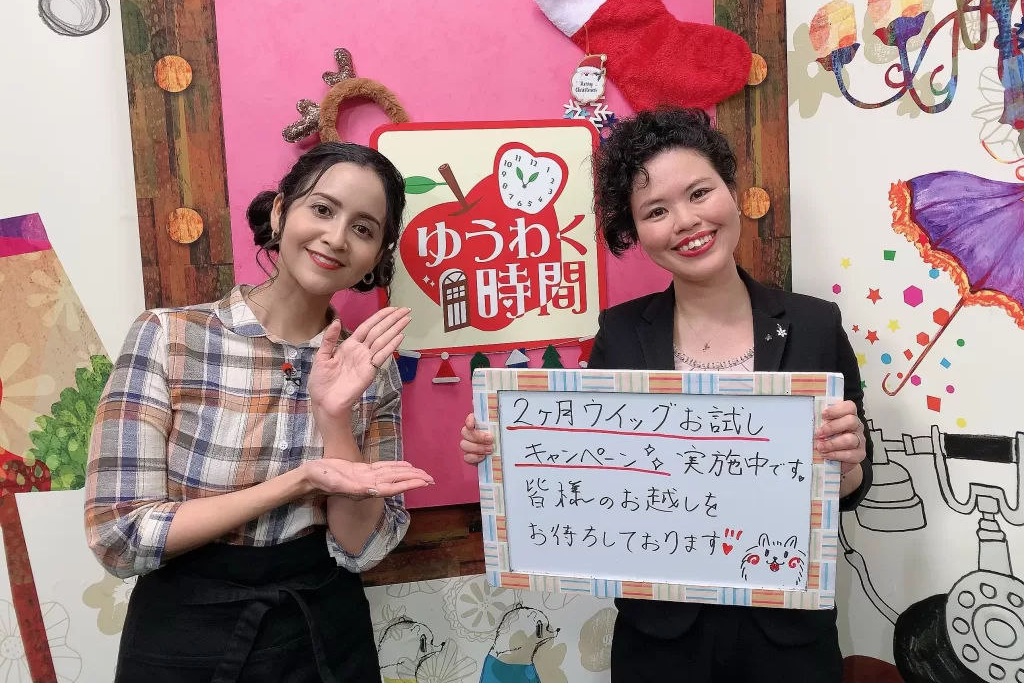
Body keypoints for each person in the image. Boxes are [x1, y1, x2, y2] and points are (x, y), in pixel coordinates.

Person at [459, 108, 872, 683]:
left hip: (788, 637)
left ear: (731, 192)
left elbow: (853, 488)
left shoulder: (815, 324)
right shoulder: (621, 332)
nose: (685, 221)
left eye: (699, 193)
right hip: (661, 639)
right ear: (636, 234)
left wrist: (846, 464)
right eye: (656, 211)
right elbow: (595, 473)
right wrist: (508, 452)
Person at [85, 142, 434, 682]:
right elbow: (120, 536)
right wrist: (298, 482)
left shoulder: (371, 368)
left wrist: (334, 417)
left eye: (364, 229)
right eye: (322, 209)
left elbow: (363, 547)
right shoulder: (168, 336)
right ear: (279, 212)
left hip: (326, 631)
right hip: (185, 634)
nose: (337, 237)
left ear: (376, 256)